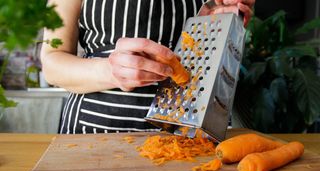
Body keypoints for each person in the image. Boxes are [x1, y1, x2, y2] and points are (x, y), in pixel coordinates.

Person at [41, 0, 255, 134]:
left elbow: (219, 30)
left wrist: (228, 14)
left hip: (194, 131)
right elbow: (52, 61)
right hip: (94, 132)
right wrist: (109, 71)